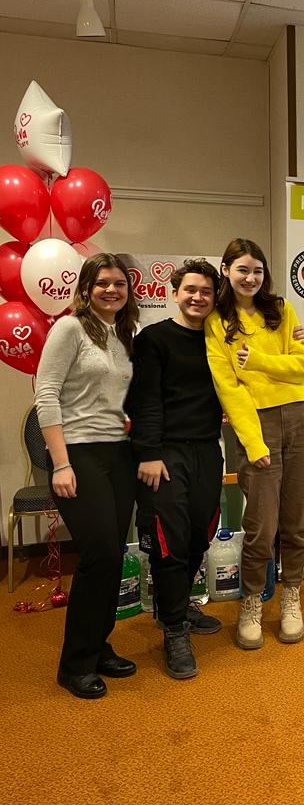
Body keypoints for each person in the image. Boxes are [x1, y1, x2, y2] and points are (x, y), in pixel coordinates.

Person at [35, 254, 140, 699]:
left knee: (113, 558)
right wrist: (61, 463)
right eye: (102, 283)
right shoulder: (70, 328)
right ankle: (75, 663)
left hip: (120, 454)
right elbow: (46, 393)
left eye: (119, 283)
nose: (111, 290)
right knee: (99, 554)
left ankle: (99, 647)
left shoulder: (125, 334)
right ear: (86, 289)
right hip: (78, 454)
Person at [205, 238, 304, 650]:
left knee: (296, 520)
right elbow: (229, 388)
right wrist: (253, 443)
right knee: (260, 526)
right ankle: (251, 602)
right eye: (242, 269)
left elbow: (303, 366)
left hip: (300, 416)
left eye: (257, 270)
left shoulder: (281, 310)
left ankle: (291, 596)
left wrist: (258, 361)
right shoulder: (217, 322)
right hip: (257, 426)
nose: (250, 278)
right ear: (226, 270)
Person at [125, 258, 225, 681]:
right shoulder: (154, 339)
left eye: (206, 292)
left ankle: (179, 605)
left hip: (207, 450)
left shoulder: (221, 339)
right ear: (175, 292)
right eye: (190, 290)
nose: (198, 297)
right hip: (164, 454)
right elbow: (144, 399)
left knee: (200, 532)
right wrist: (148, 452)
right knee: (169, 542)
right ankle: (174, 629)